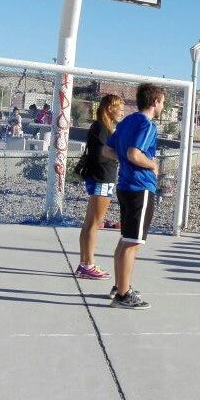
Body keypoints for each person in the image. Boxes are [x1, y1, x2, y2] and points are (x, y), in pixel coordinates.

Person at [102, 83, 166, 310]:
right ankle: (123, 294)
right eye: (162, 102)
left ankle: (120, 285)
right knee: (132, 242)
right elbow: (133, 153)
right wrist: (152, 165)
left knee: (126, 239)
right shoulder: (147, 125)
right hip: (140, 187)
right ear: (155, 101)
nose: (162, 106)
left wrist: (125, 160)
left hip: (125, 186)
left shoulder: (127, 121)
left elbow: (107, 150)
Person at [75, 94, 124, 280]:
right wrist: (123, 155)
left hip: (102, 178)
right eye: (119, 107)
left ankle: (84, 263)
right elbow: (100, 155)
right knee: (93, 224)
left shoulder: (103, 127)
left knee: (91, 223)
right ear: (109, 108)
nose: (122, 111)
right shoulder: (102, 127)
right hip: (102, 178)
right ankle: (87, 264)